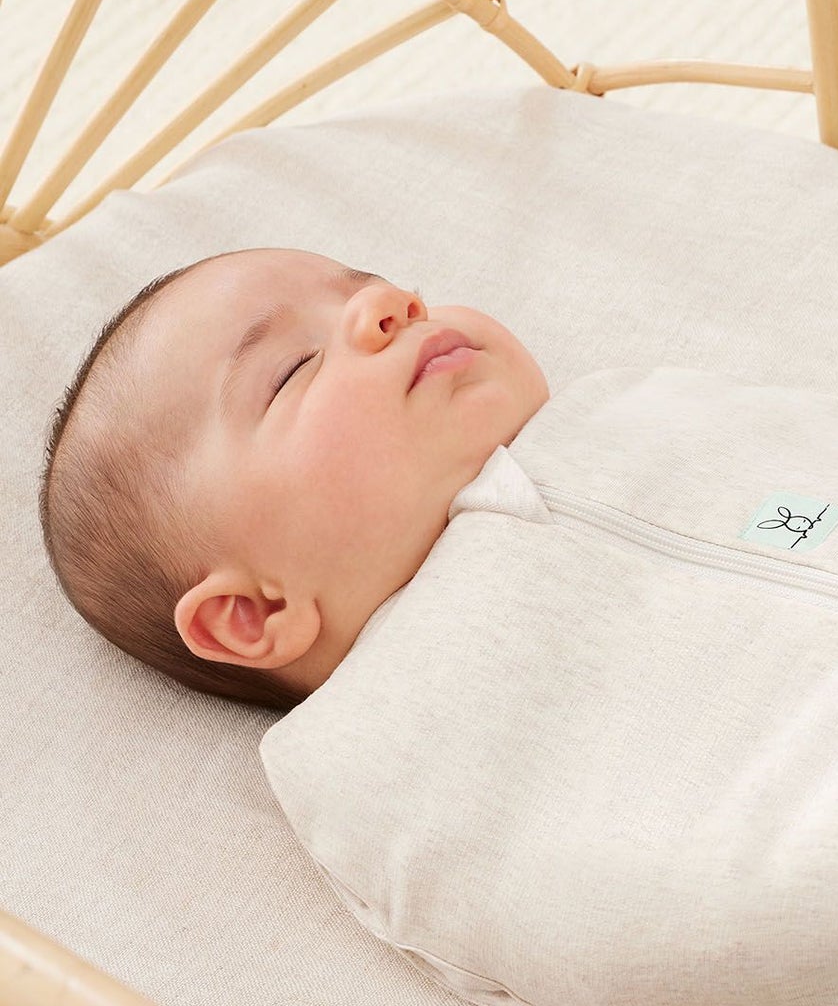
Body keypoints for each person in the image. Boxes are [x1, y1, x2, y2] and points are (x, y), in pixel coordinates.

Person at [37, 245, 549, 711]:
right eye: (294, 368)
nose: (387, 305)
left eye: (375, 285)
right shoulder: (393, 731)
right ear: (255, 612)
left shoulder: (593, 409)